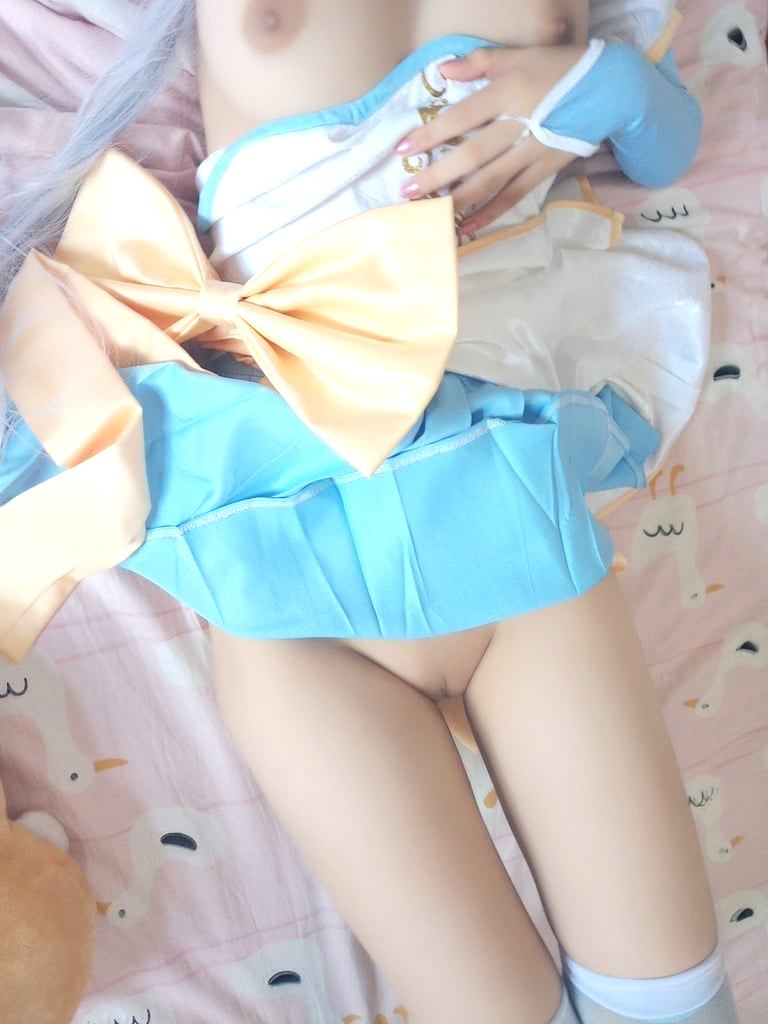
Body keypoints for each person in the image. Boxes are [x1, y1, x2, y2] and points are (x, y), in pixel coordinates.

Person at [0, 2, 739, 1022]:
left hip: (505, 511)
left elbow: (667, 143)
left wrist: (604, 87)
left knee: (673, 1007)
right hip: (289, 583)